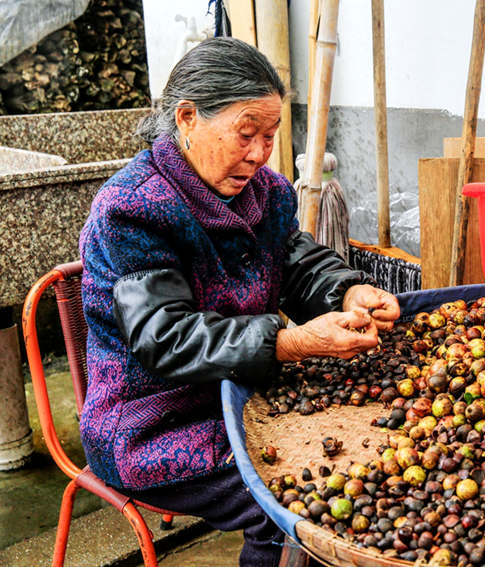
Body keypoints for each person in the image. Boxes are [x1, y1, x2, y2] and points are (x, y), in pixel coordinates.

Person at [78, 37, 400, 566]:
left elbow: (294, 260)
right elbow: (168, 339)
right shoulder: (133, 210)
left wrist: (346, 289)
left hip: (247, 391)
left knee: (363, 453)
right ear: (186, 119)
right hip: (153, 420)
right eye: (245, 134)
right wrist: (290, 342)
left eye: (269, 136)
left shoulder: (267, 193)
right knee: (290, 504)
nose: (258, 153)